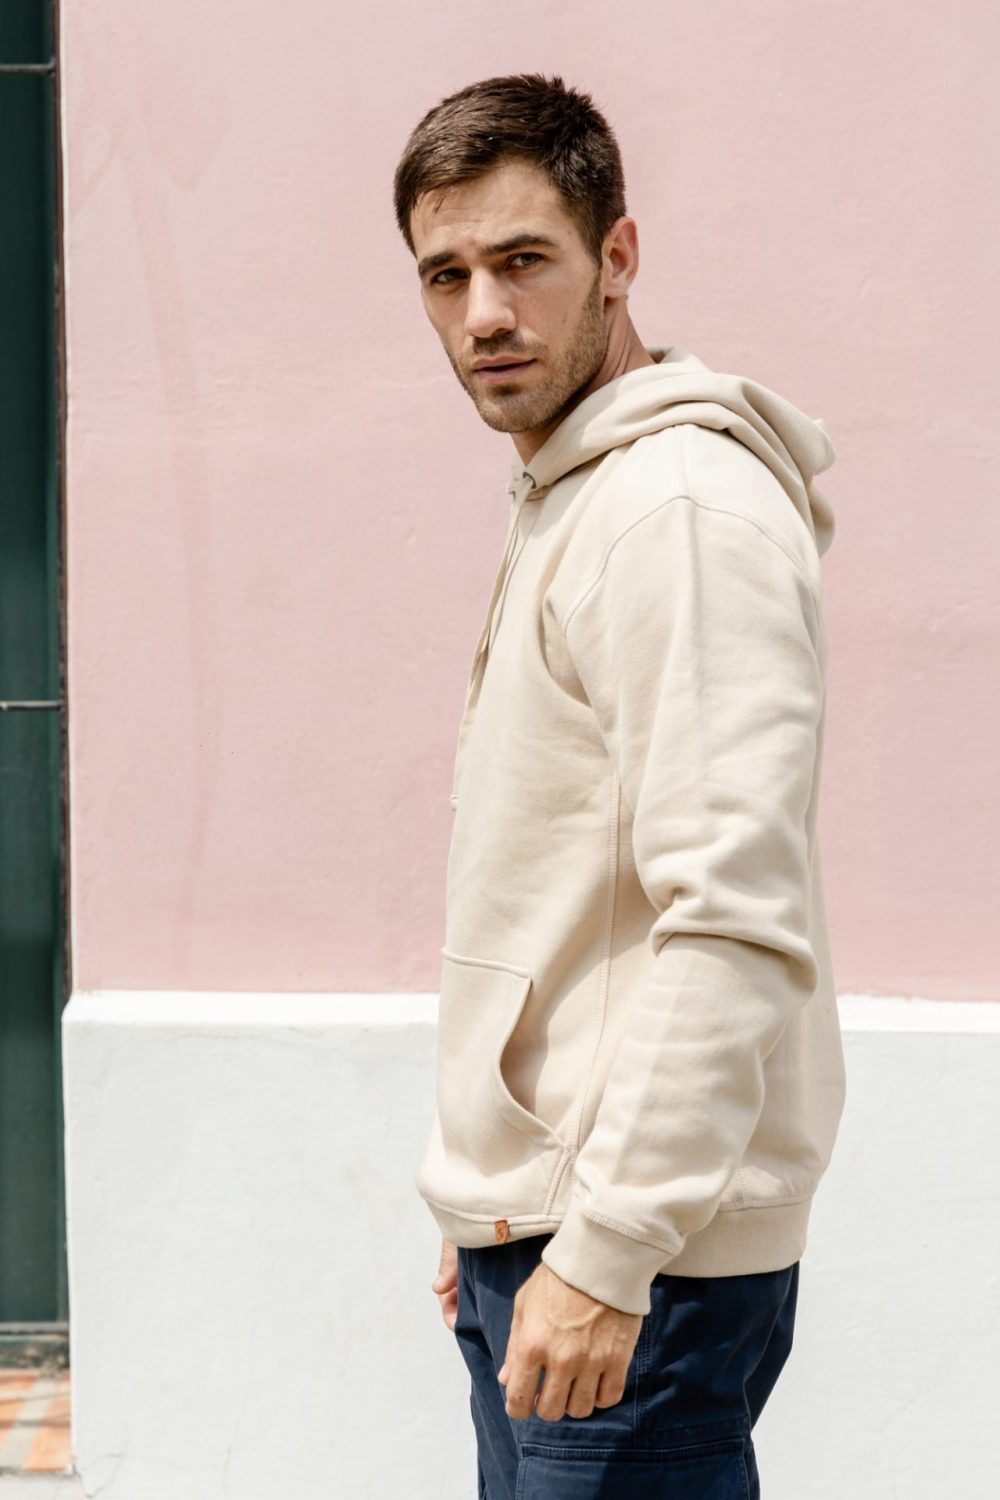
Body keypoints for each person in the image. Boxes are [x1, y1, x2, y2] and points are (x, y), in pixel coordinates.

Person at [392, 73, 846, 1500]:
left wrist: (604, 1248)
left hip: (635, 1274)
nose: (485, 313)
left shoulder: (676, 514)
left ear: (618, 257)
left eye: (524, 260)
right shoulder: (577, 494)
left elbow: (735, 917)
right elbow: (565, 889)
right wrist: (496, 1197)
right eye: (447, 275)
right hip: (548, 1229)